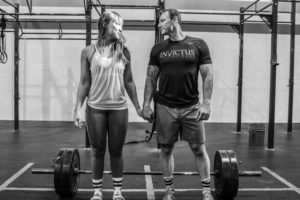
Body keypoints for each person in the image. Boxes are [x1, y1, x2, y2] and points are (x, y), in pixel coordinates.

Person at [142, 9, 214, 200]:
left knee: (199, 148)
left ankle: (206, 190)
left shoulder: (198, 44)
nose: (159, 25)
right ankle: (169, 190)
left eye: (162, 21)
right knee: (166, 149)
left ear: (175, 20)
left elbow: (208, 74)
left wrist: (206, 103)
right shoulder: (158, 49)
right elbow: (151, 78)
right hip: (165, 106)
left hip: (191, 106)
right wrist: (146, 104)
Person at [73, 11, 142, 200]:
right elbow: (84, 82)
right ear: (104, 25)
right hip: (95, 107)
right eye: (116, 24)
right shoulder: (88, 51)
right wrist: (77, 109)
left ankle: (118, 191)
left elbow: (129, 81)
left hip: (119, 108)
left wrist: (137, 106)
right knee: (97, 150)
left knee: (116, 150)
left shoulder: (124, 51)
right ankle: (97, 192)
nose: (120, 28)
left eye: (122, 25)